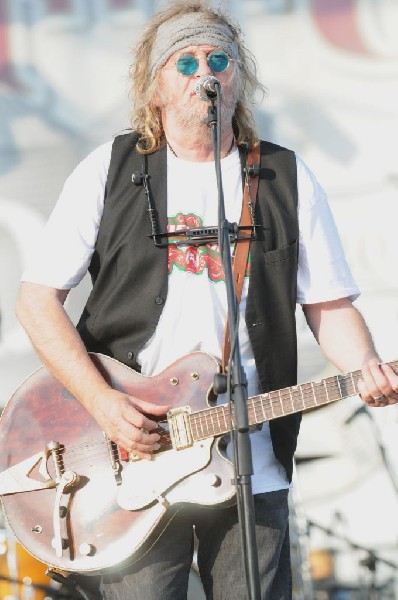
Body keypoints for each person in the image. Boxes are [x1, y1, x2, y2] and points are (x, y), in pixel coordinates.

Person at [15, 1, 398, 599]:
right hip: (132, 451)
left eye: (219, 59)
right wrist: (104, 402)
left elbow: (328, 304)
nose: (205, 73)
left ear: (238, 77)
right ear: (156, 86)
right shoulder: (109, 170)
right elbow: (37, 300)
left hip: (251, 452)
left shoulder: (283, 177)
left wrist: (364, 370)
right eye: (185, 60)